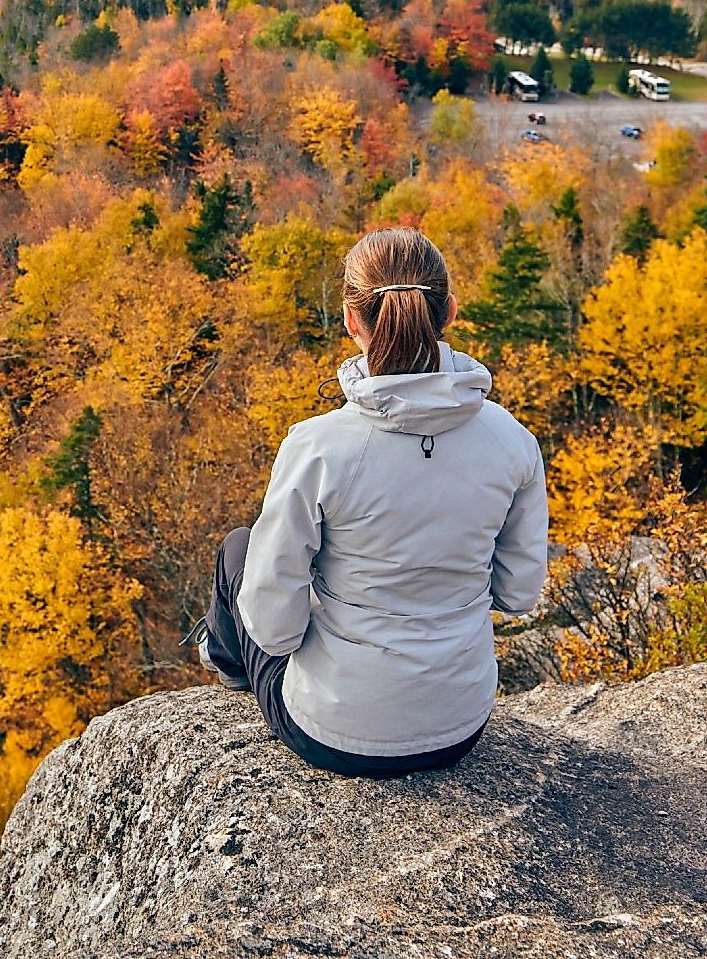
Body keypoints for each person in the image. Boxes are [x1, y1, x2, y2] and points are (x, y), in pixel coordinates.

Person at [194, 227, 547, 777]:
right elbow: (519, 592)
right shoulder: (512, 440)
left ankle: (228, 670)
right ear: (449, 311)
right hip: (460, 728)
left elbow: (274, 627)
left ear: (351, 320)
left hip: (336, 734)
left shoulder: (318, 447)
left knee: (239, 549)